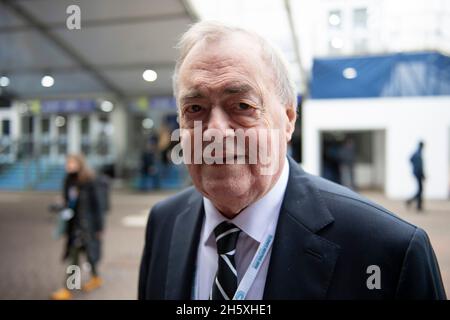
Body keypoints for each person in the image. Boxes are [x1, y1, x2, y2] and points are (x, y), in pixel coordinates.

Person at [138, 21, 446, 300]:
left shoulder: (390, 250)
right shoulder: (164, 221)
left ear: (288, 120)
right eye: (194, 109)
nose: (215, 131)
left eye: (242, 105)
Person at [51, 154, 105, 300]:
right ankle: (95, 278)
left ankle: (68, 287)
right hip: (74, 225)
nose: (69, 165)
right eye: (67, 163)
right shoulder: (68, 180)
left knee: (78, 255)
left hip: (87, 226)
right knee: (84, 254)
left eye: (72, 162)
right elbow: (68, 201)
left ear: (80, 164)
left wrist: (99, 227)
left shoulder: (89, 181)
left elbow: (98, 205)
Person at [406, 141, 426, 212]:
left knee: (420, 190)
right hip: (418, 174)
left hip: (417, 173)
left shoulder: (417, 152)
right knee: (420, 190)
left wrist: (414, 168)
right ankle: (413, 203)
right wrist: (422, 174)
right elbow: (419, 166)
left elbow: (411, 159)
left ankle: (418, 205)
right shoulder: (418, 153)